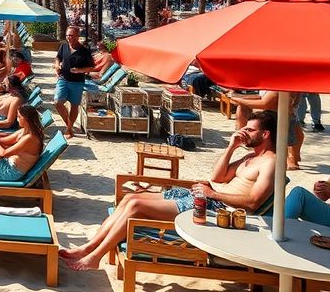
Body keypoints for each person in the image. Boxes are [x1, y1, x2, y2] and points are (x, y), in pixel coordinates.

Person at [60, 111, 279, 270]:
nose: (244, 132)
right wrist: (231, 146)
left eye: (250, 130)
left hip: (219, 212)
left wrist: (213, 194)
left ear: (266, 134)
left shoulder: (271, 163)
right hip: (208, 198)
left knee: (136, 205)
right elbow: (217, 177)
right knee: (132, 198)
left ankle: (96, 256)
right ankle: (88, 247)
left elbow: (253, 202)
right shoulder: (251, 157)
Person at [231, 90, 304, 170]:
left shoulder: (279, 87)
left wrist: (238, 99)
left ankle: (291, 159)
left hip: (281, 115)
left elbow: (264, 103)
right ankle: (289, 159)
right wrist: (238, 97)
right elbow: (263, 98)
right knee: (286, 140)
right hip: (281, 114)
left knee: (290, 139)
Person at [53, 26, 95, 138]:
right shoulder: (64, 46)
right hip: (63, 79)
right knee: (57, 102)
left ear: (77, 36)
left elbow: (91, 67)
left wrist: (80, 70)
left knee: (74, 105)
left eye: (71, 35)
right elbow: (58, 57)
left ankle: (69, 129)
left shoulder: (84, 51)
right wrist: (57, 65)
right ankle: (69, 126)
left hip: (77, 82)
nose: (69, 38)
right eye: (67, 35)